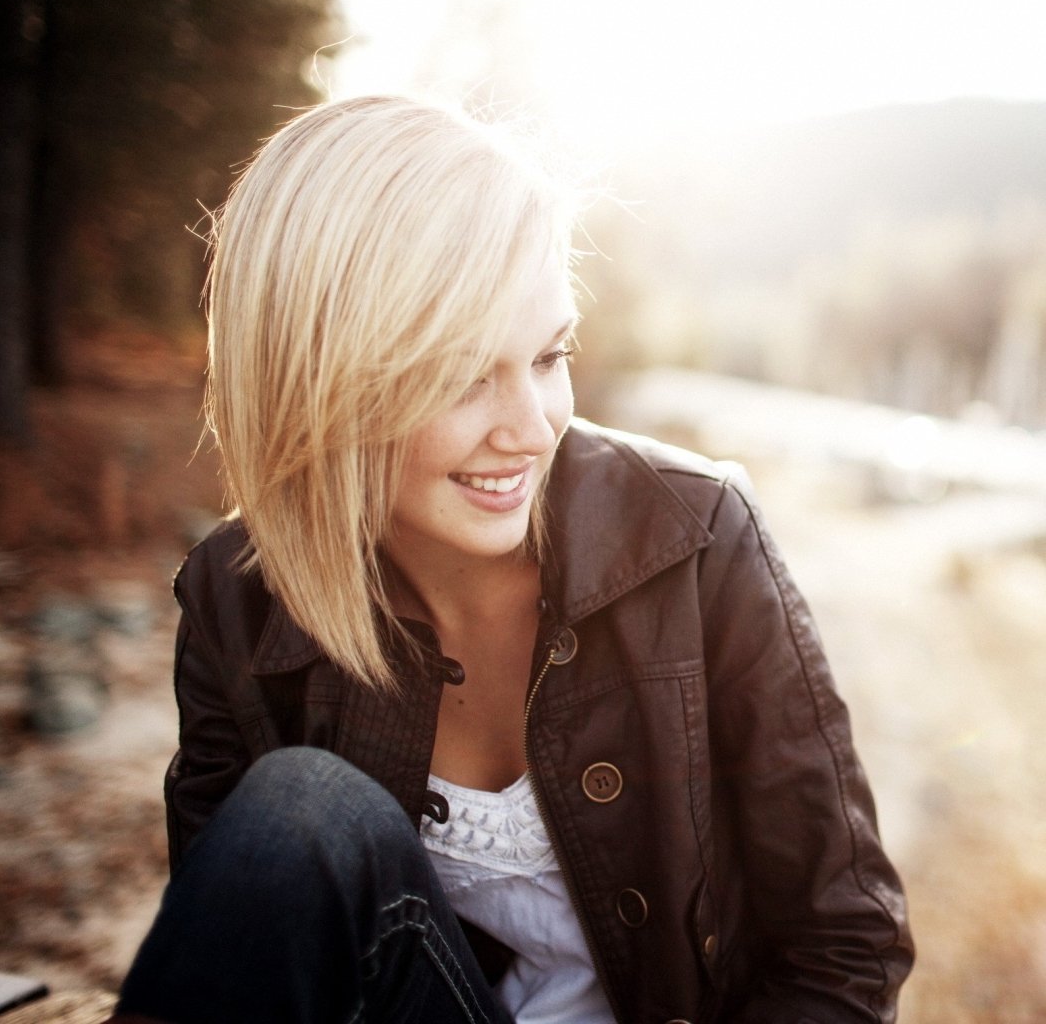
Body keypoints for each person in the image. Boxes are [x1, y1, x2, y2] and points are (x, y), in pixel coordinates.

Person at [108, 95, 913, 1024]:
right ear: (320, 380)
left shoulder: (697, 537)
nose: (531, 429)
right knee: (297, 811)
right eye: (462, 373)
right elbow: (247, 959)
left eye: (548, 354)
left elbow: (845, 948)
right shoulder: (238, 599)